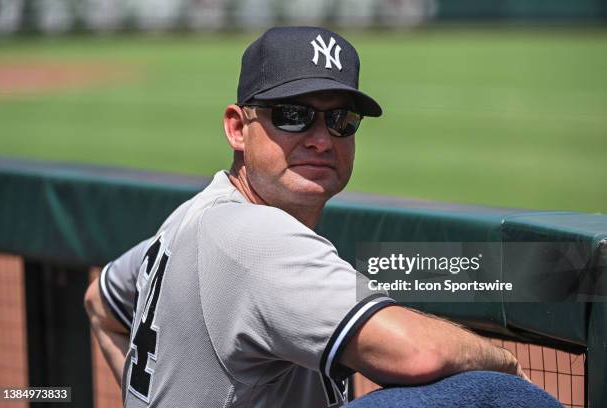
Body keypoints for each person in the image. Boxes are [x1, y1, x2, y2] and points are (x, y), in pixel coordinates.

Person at [84, 26, 562, 407]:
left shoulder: (195, 218)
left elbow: (100, 303)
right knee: (494, 394)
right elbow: (417, 353)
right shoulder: (254, 237)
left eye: (340, 120)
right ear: (237, 127)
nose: (321, 138)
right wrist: (503, 363)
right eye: (292, 115)